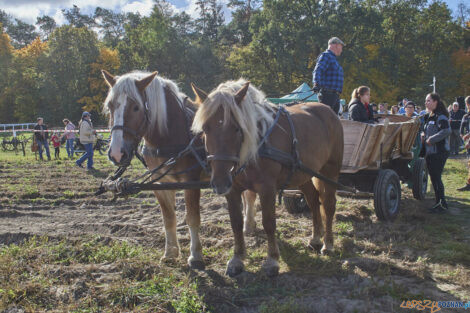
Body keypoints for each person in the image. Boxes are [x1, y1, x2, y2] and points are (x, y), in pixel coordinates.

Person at [421, 93, 451, 213]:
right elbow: (425, 130)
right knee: (434, 178)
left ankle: (441, 204)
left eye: (428, 100)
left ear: (435, 102)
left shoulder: (441, 116)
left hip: (439, 152)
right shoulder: (429, 116)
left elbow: (446, 130)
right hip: (431, 152)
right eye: (425, 101)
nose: (426, 103)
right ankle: (439, 202)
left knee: (436, 178)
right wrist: (423, 135)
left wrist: (431, 139)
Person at [312, 37, 345, 114]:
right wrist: (316, 83)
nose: (341, 50)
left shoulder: (333, 59)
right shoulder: (326, 56)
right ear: (335, 45)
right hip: (327, 94)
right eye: (341, 46)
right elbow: (318, 70)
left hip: (334, 95)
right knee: (325, 120)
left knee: (333, 122)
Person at [457, 96, 470, 191]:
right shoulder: (466, 116)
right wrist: (463, 137)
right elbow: (461, 130)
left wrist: (468, 139)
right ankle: (469, 183)